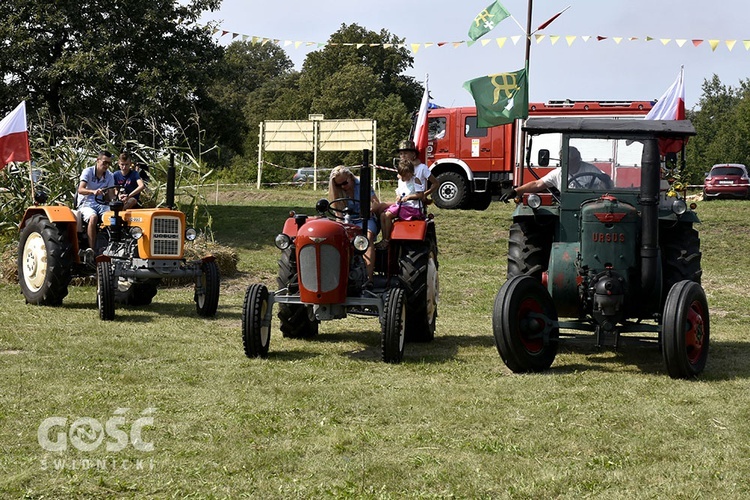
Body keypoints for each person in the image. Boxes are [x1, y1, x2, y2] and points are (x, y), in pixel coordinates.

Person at [328, 165, 384, 280]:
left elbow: (375, 203)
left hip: (365, 218)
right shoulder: (337, 191)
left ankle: (368, 278)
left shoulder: (363, 184)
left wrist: (367, 211)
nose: (342, 187)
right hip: (347, 220)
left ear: (350, 177)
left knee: (367, 237)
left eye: (344, 183)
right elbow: (339, 215)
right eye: (338, 185)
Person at [500, 146, 613, 201]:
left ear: (578, 159)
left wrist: (605, 181)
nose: (570, 164)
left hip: (590, 203)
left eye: (573, 161)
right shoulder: (558, 173)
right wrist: (515, 191)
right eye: (567, 161)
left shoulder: (591, 170)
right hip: (565, 206)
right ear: (562, 161)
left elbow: (606, 186)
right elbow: (537, 184)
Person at [377, 159, 426, 250]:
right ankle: (384, 238)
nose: (402, 178)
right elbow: (399, 192)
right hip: (402, 206)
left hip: (411, 207)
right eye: (401, 176)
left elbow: (421, 194)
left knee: (387, 215)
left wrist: (409, 197)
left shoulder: (415, 180)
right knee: (382, 215)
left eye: (404, 176)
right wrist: (398, 196)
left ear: (410, 173)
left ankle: (387, 240)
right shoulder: (401, 180)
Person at [77, 150, 116, 251]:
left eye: (109, 163)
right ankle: (91, 249)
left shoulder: (109, 176)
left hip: (101, 204)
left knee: (113, 217)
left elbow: (111, 195)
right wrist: (93, 191)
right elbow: (80, 189)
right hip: (86, 204)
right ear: (98, 160)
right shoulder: (88, 172)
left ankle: (112, 247)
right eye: (104, 162)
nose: (106, 165)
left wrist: (118, 200)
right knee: (93, 217)